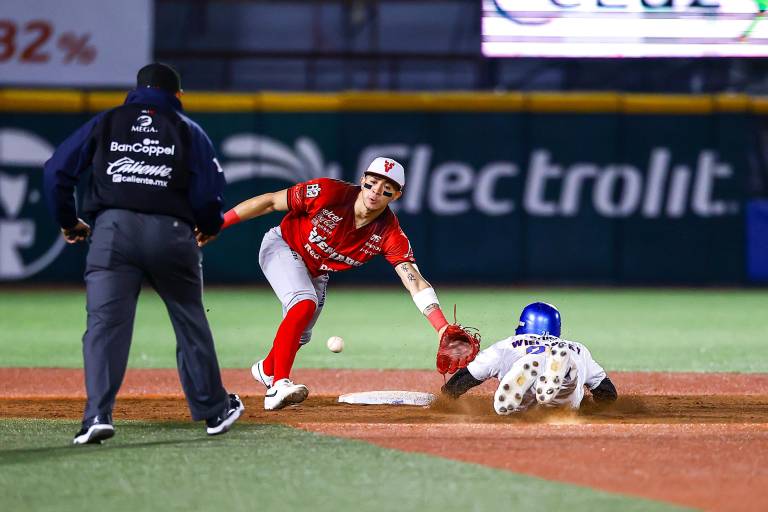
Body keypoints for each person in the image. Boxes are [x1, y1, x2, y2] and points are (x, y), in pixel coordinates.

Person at [43, 63, 243, 444]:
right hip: (172, 233)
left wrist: (69, 221)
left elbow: (56, 171)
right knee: (190, 321)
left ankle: (98, 415)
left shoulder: (107, 120)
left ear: (134, 91)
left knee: (105, 325)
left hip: (112, 232)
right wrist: (210, 225)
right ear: (178, 96)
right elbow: (208, 194)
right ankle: (214, 411)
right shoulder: (189, 130)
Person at [204, 157, 478, 410]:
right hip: (283, 245)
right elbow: (270, 201)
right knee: (303, 303)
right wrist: (219, 224)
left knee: (299, 334)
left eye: (387, 187)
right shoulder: (329, 193)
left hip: (317, 271)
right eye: (373, 182)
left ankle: (267, 369)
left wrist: (441, 326)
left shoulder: (389, 233)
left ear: (396, 195)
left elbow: (414, 281)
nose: (375, 190)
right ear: (363, 180)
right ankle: (278, 385)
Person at [441, 302, 617, 415]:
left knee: (518, 397)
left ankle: (524, 375)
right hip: (565, 402)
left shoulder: (507, 345)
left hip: (523, 401)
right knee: (569, 380)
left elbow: (466, 378)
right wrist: (589, 406)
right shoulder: (578, 348)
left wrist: (446, 396)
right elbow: (608, 393)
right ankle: (561, 373)